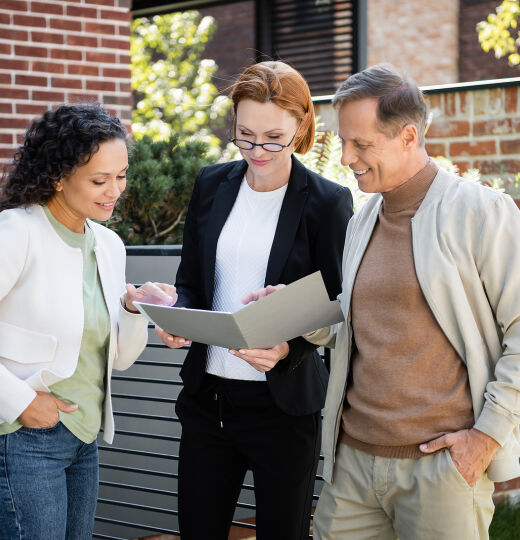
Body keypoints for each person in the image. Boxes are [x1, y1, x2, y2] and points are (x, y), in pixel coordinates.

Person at [299, 64, 520, 539]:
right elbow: (356, 324)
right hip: (353, 464)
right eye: (343, 141)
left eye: (361, 144)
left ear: (407, 136)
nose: (346, 156)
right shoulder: (364, 219)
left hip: (440, 469)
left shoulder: (481, 212)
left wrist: (486, 438)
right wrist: (288, 313)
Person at [155, 61, 353, 539]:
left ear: (301, 125)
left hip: (283, 409)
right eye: (245, 135)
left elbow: (338, 308)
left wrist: (288, 348)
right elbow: (193, 283)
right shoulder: (210, 184)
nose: (257, 150)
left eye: (273, 138)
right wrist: (177, 315)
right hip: (209, 401)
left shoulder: (328, 202)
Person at [0, 103, 177, 540]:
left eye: (121, 176)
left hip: (84, 438)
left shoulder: (109, 244)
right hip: (24, 436)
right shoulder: (17, 232)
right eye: (100, 180)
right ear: (59, 177)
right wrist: (21, 401)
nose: (114, 191)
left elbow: (119, 359)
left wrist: (135, 310)